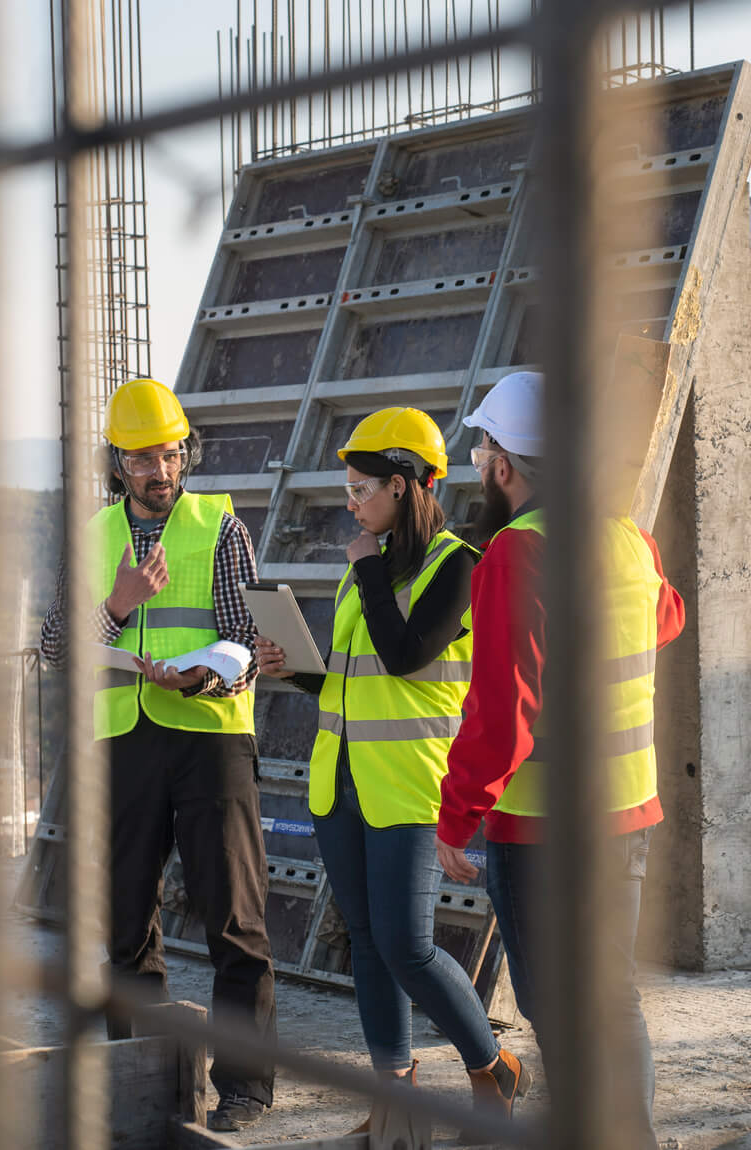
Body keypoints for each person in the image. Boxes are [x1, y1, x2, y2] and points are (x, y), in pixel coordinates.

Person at [252, 408, 528, 1138]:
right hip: (338, 784)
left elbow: (406, 654)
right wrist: (299, 671)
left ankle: (491, 1067)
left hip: (408, 784)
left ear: (404, 486)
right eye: (346, 490)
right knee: (367, 944)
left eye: (361, 489)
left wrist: (367, 566)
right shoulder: (369, 570)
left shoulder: (457, 564)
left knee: (408, 946)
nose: (351, 503)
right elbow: (359, 677)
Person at [432, 371, 685, 1150]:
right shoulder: (625, 537)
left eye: (482, 448)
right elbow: (666, 616)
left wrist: (455, 817)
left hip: (542, 827)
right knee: (613, 1000)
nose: (477, 460)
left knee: (556, 1007)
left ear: (503, 467)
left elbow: (501, 713)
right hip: (626, 810)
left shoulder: (515, 553)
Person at [38, 377, 277, 1134]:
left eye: (170, 455)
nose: (160, 471)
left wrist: (211, 671)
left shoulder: (220, 527)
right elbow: (53, 648)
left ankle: (243, 1086)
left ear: (185, 455)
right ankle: (141, 1074)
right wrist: (116, 605)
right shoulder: (94, 536)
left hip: (209, 739)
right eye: (142, 458)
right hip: (122, 743)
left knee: (234, 922)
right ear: (117, 464)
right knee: (121, 923)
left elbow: (244, 633)